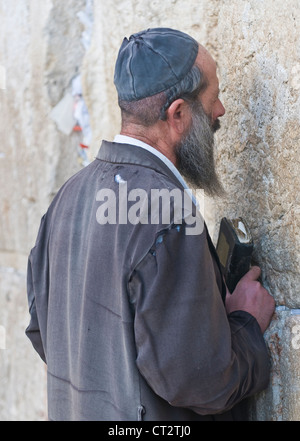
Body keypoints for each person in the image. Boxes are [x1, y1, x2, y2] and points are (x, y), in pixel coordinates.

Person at [26, 28, 275, 421]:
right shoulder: (169, 213)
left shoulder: (69, 196)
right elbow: (201, 381)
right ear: (177, 115)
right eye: (213, 99)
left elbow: (45, 330)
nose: (221, 110)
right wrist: (245, 322)